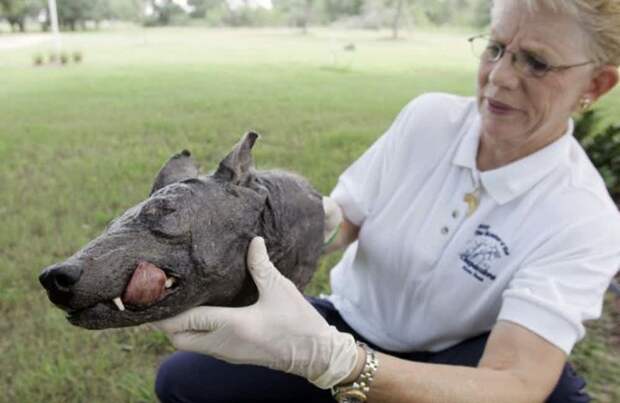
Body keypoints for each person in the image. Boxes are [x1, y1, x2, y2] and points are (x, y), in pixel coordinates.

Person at [154, 0, 620, 402]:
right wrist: (273, 231)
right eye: (495, 48)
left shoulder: (582, 218)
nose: (498, 77)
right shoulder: (429, 120)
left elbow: (517, 381)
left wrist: (341, 365)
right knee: (184, 382)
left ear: (596, 86)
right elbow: (346, 220)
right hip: (348, 323)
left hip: (454, 356)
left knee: (555, 394)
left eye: (536, 63)